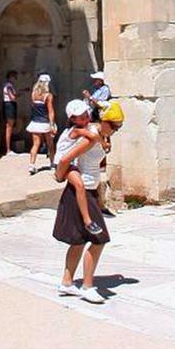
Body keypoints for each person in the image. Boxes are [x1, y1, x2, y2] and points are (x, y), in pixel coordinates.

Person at [53, 98, 112, 302]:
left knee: (78, 240)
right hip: (72, 175)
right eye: (81, 116)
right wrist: (99, 139)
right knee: (99, 238)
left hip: (88, 187)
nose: (85, 117)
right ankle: (87, 287)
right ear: (72, 118)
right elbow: (63, 159)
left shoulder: (90, 129)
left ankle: (67, 282)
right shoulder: (81, 132)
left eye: (86, 114)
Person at [26, 74, 57, 172]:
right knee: (50, 144)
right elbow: (50, 110)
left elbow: (32, 107)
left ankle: (31, 164)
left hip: (35, 122)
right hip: (45, 123)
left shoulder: (34, 94)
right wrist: (52, 124)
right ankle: (52, 163)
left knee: (35, 144)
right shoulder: (48, 96)